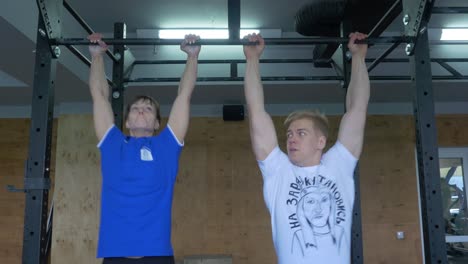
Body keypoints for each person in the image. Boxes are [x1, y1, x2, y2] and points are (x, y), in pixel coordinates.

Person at [242, 32, 369, 263]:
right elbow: (256, 111)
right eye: (289, 134)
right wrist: (252, 60)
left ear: (321, 142)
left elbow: (357, 109)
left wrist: (358, 58)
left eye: (301, 134)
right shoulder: (278, 171)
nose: (291, 139)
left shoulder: (338, 164)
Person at [88, 33, 201, 264]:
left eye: (148, 109)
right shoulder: (112, 144)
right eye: (136, 108)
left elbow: (183, 97)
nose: (141, 111)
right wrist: (97, 57)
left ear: (157, 123)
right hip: (115, 254)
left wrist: (192, 57)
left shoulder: (166, 147)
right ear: (127, 121)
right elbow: (99, 96)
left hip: (156, 254)